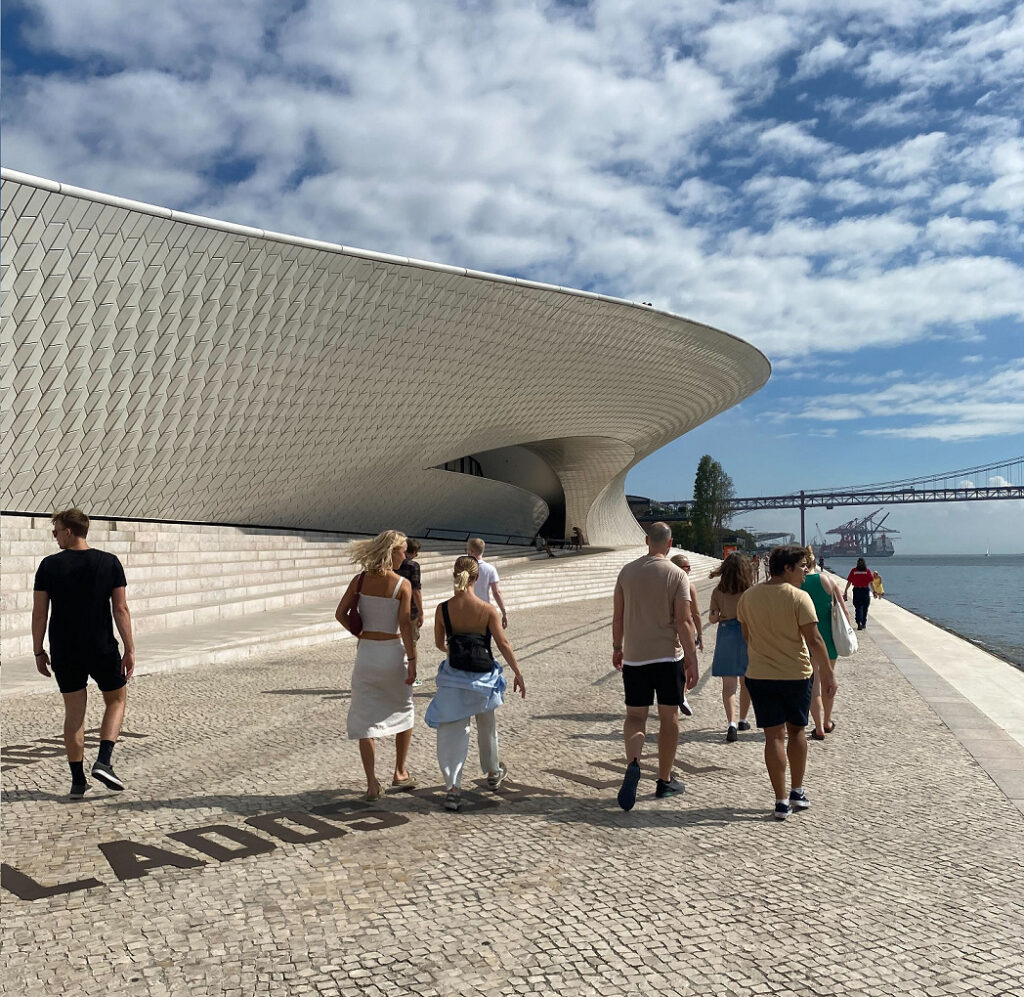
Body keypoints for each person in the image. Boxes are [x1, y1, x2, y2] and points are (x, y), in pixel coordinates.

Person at [31, 508, 136, 798]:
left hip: (65, 650)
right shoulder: (109, 562)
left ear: (69, 531)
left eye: (56, 531)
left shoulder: (49, 566)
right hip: (101, 646)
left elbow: (40, 613)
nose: (54, 536)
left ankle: (78, 782)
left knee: (74, 713)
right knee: (116, 699)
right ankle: (104, 760)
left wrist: (38, 650)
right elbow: (121, 609)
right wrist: (129, 648)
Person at [737, 545, 836, 820]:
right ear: (788, 568)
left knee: (773, 737)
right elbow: (815, 640)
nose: (806, 570)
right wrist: (828, 674)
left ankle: (780, 801)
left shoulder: (748, 597)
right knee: (796, 733)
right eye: (802, 566)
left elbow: (747, 636)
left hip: (760, 675)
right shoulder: (799, 597)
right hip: (796, 675)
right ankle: (797, 790)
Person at [425, 556, 526, 812]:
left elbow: (439, 643)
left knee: (451, 733)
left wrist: (455, 649)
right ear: (477, 578)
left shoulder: (443, 608)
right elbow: (503, 644)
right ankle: (493, 771)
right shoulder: (487, 609)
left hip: (454, 677)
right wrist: (517, 672)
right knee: (487, 727)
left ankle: (453, 788)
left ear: (454, 575)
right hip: (483, 679)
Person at [612, 522, 699, 811]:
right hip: (666, 657)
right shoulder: (676, 574)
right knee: (668, 717)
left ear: (647, 540)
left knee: (635, 716)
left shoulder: (627, 572)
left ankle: (634, 762)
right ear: (670, 543)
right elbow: (684, 622)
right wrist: (692, 659)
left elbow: (618, 616)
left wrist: (617, 647)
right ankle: (664, 780)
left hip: (635, 657)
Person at [336, 530, 418, 800]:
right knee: (404, 708)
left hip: (367, 654)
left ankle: (372, 785)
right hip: (393, 653)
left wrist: (359, 633)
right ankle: (400, 771)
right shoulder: (401, 584)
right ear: (391, 551)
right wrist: (413, 660)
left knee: (364, 717)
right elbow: (405, 625)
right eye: (402, 550)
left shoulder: (359, 581)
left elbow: (340, 613)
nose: (404, 555)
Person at [801, 547, 852, 740]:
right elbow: (845, 612)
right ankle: (827, 721)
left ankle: (818, 726)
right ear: (816, 563)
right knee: (828, 680)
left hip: (806, 640)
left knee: (813, 684)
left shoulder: (799, 584)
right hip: (828, 639)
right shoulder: (829, 581)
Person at [707, 552, 753, 742]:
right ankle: (743, 719)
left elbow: (712, 618)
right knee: (746, 681)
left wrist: (718, 613)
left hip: (726, 633)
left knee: (728, 686)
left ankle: (731, 723)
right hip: (746, 633)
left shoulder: (718, 591)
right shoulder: (750, 591)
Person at [396, 538, 424, 685]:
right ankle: (412, 675)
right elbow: (416, 591)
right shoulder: (413, 565)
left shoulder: (392, 564)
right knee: (411, 643)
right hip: (410, 610)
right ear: (411, 552)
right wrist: (421, 612)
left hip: (393, 607)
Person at [466, 538, 508, 629]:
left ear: (471, 551)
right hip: (483, 611)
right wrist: (504, 613)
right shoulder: (490, 569)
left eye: (467, 550)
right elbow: (496, 592)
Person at [844, 557, 874, 630]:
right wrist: (874, 591)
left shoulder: (854, 571)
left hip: (857, 591)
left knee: (858, 607)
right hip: (865, 591)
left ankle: (859, 622)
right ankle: (863, 623)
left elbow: (849, 582)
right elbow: (871, 583)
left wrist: (846, 590)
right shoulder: (867, 571)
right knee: (865, 608)